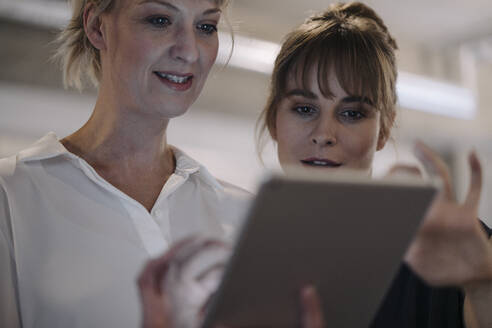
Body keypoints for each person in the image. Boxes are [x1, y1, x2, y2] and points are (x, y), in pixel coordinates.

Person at [138, 2, 492, 328]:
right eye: (304, 109)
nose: (324, 134)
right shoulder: (233, 259)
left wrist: (482, 283)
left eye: (351, 114)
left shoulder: (450, 245)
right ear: (275, 120)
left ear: (383, 129)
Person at [0, 0, 255, 327]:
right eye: (160, 20)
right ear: (97, 26)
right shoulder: (12, 194)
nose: (190, 51)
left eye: (206, 27)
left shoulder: (241, 212)